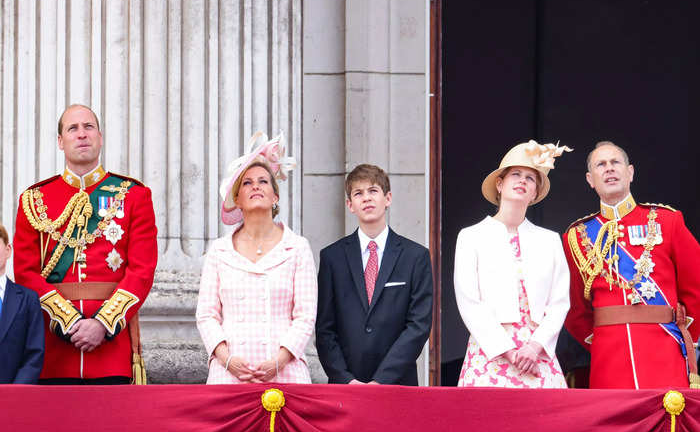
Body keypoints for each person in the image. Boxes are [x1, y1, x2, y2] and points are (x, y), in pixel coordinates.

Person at [13, 104, 157, 384]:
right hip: (53, 354)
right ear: (60, 141)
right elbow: (26, 273)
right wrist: (70, 322)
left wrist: (102, 324)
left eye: (88, 127)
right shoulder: (34, 200)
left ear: (100, 137)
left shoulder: (134, 196)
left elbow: (141, 271)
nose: (82, 134)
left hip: (111, 354)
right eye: (73, 128)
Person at [563, 141, 700, 389]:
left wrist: (682, 336)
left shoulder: (667, 221)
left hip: (664, 350)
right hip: (609, 357)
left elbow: (696, 287)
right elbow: (574, 308)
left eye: (615, 162)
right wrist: (604, 339)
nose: (609, 169)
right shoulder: (576, 236)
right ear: (590, 179)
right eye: (600, 165)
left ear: (631, 172)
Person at [196, 132, 315, 384]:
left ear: (275, 196)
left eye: (263, 181)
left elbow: (305, 316)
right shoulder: (219, 251)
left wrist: (279, 362)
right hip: (228, 375)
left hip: (286, 374)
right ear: (236, 199)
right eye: (247, 183)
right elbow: (207, 315)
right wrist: (227, 359)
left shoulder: (297, 247)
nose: (256, 186)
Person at [454, 140, 571, 388]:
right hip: (490, 353)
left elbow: (559, 302)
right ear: (500, 184)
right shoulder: (471, 236)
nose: (522, 181)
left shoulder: (549, 240)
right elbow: (469, 302)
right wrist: (508, 350)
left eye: (530, 178)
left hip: (537, 354)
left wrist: (534, 347)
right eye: (515, 174)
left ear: (535, 192)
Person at [316, 164, 433, 385]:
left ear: (387, 198)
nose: (366, 198)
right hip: (346, 386)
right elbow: (324, 328)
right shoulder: (332, 258)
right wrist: (346, 379)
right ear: (350, 205)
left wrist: (382, 380)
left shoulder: (415, 257)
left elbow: (418, 326)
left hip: (398, 383)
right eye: (358, 193)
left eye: (373, 191)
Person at [0, 224, 44, 383]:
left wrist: (16, 392)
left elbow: (34, 353)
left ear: (8, 250)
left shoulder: (28, 299)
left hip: (15, 396)